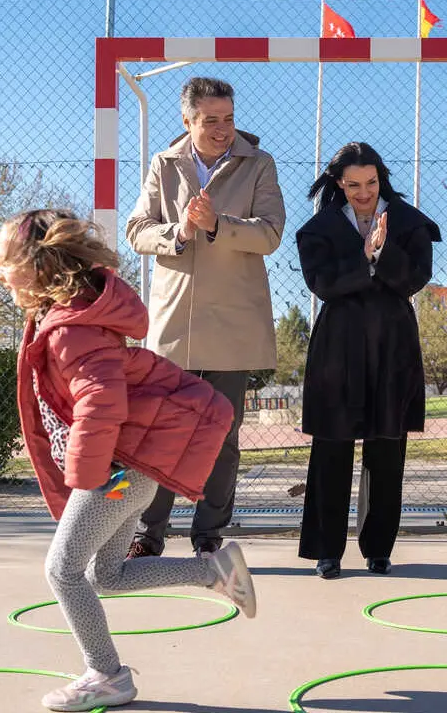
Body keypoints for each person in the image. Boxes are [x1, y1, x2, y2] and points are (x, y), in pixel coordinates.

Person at [0, 209, 257, 712]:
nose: (0, 273)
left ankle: (107, 674)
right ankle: (214, 571)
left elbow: (101, 402)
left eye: (5, 262)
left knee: (63, 570)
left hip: (114, 475)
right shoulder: (63, 318)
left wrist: (87, 478)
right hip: (124, 471)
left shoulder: (73, 329)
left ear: (37, 266)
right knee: (104, 575)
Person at [125, 76, 286, 558]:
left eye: (229, 118)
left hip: (234, 325)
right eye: (211, 120)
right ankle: (148, 534)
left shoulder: (259, 164)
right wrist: (178, 232)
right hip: (174, 326)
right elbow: (137, 230)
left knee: (223, 436)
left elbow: (271, 233)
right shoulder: (164, 164)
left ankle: (208, 537)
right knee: (161, 432)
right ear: (188, 120)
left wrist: (219, 225)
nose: (223, 129)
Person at [294, 142, 440, 579]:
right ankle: (327, 550)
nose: (364, 192)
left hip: (391, 345)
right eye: (354, 184)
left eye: (371, 182)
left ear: (382, 178)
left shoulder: (408, 222)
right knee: (331, 448)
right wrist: (363, 257)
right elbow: (321, 283)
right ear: (340, 183)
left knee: (387, 449)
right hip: (338, 348)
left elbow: (416, 277)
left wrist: (381, 254)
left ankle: (379, 548)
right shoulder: (319, 229)